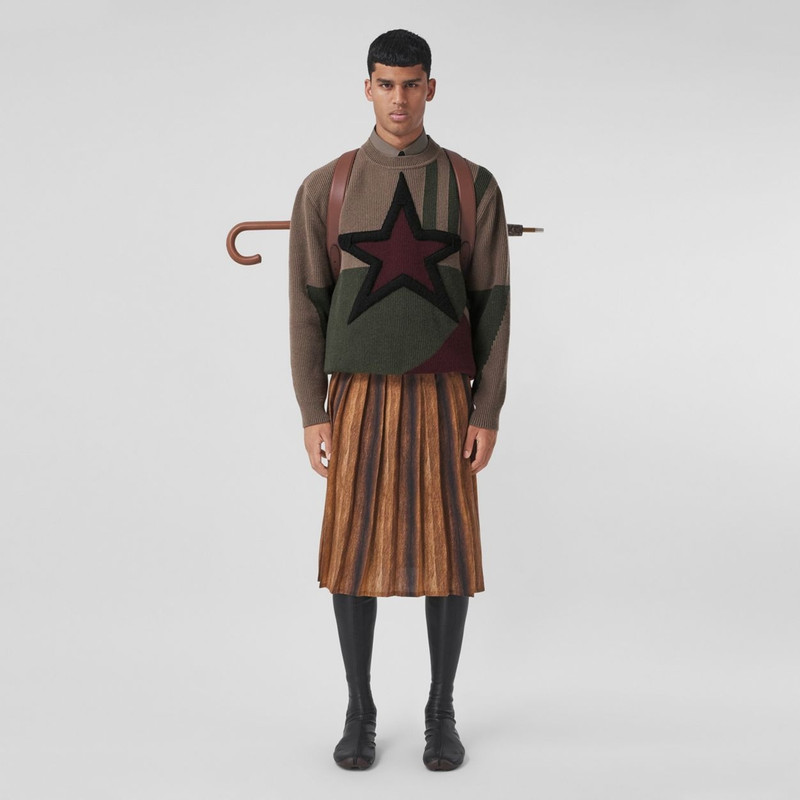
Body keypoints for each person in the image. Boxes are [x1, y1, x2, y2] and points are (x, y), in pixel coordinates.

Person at [288, 28, 510, 771]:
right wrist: (312, 409)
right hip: (355, 395)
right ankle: (359, 709)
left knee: (447, 553)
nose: (399, 99)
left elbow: (495, 303)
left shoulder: (471, 184)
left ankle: (441, 710)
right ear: (367, 88)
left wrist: (486, 409)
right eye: (386, 84)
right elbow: (306, 307)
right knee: (353, 554)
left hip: (446, 394)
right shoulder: (327, 186)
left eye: (412, 84)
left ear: (431, 88)